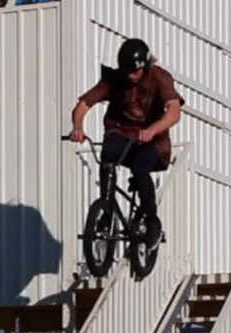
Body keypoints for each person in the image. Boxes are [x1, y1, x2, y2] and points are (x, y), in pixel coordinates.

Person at [68, 38, 184, 252]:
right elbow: (83, 105)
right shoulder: (115, 80)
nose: (131, 76)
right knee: (107, 156)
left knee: (141, 168)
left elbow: (174, 112)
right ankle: (107, 211)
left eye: (135, 72)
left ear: (144, 66)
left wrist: (153, 129)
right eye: (127, 71)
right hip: (122, 134)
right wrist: (77, 126)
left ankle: (151, 222)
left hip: (154, 141)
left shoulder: (159, 77)